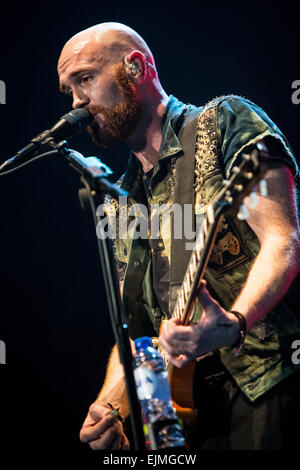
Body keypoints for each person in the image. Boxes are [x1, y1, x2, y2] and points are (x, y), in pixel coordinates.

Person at [57, 22, 300, 450]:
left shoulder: (224, 121)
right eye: (68, 90)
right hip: (183, 421)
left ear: (135, 68)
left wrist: (234, 324)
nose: (76, 101)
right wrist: (111, 407)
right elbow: (137, 336)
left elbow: (284, 241)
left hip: (266, 383)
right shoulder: (119, 199)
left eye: (85, 78)